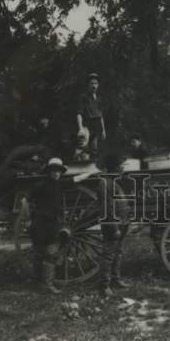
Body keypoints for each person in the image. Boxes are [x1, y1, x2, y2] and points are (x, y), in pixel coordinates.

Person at [28, 157, 68, 294]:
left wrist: (86, 175)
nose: (56, 174)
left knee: (49, 253)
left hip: (50, 223)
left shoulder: (59, 184)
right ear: (49, 172)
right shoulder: (39, 186)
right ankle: (45, 284)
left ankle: (45, 282)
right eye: (54, 171)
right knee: (44, 253)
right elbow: (26, 200)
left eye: (58, 171)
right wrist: (29, 217)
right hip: (41, 223)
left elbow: (74, 181)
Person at [97, 147, 132, 298]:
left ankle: (116, 280)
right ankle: (104, 286)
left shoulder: (113, 181)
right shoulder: (104, 183)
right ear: (114, 167)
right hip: (113, 225)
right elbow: (107, 208)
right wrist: (114, 227)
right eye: (120, 165)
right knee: (109, 254)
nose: (123, 168)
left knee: (117, 252)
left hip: (121, 223)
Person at [76, 73, 106, 159]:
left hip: (97, 127)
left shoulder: (99, 98)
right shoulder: (84, 97)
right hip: (87, 125)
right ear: (88, 85)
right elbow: (79, 113)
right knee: (83, 148)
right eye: (91, 83)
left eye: (96, 83)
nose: (94, 85)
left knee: (95, 150)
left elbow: (101, 115)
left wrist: (103, 130)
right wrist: (80, 128)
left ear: (98, 85)